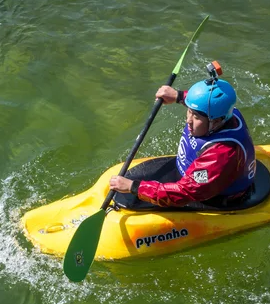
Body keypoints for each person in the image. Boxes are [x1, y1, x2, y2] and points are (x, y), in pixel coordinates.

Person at [109, 73, 256, 208]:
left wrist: (134, 187)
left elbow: (184, 192)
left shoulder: (221, 155)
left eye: (196, 117)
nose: (188, 121)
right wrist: (178, 96)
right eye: (189, 112)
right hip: (191, 175)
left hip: (211, 196)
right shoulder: (225, 113)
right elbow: (203, 104)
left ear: (216, 121)